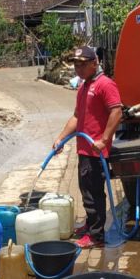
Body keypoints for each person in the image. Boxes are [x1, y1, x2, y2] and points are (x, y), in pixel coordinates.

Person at [54, 46, 123, 249]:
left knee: (93, 192)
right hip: (84, 149)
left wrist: (104, 139)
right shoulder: (84, 86)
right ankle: (90, 224)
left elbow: (116, 111)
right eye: (76, 65)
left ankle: (96, 235)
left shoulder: (104, 84)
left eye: (83, 64)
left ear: (95, 63)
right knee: (86, 190)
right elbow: (77, 117)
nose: (78, 69)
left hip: (96, 151)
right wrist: (61, 138)